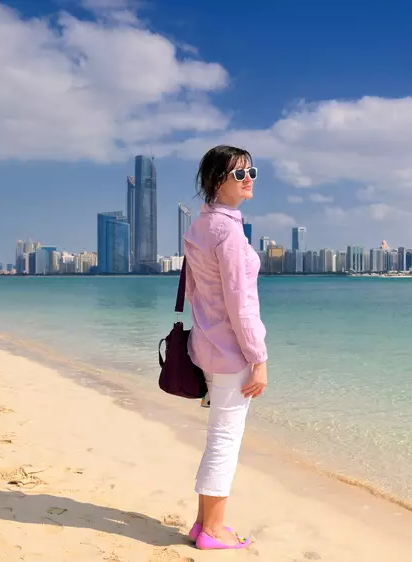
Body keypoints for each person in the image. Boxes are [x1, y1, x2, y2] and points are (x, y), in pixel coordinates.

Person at [181, 145, 268, 550]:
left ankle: (203, 523)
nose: (248, 178)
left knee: (218, 435)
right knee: (224, 440)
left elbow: (195, 293)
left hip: (207, 346)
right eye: (239, 173)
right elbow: (240, 303)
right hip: (232, 353)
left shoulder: (199, 227)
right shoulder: (229, 233)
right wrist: (258, 358)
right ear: (218, 181)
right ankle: (213, 530)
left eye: (251, 171)